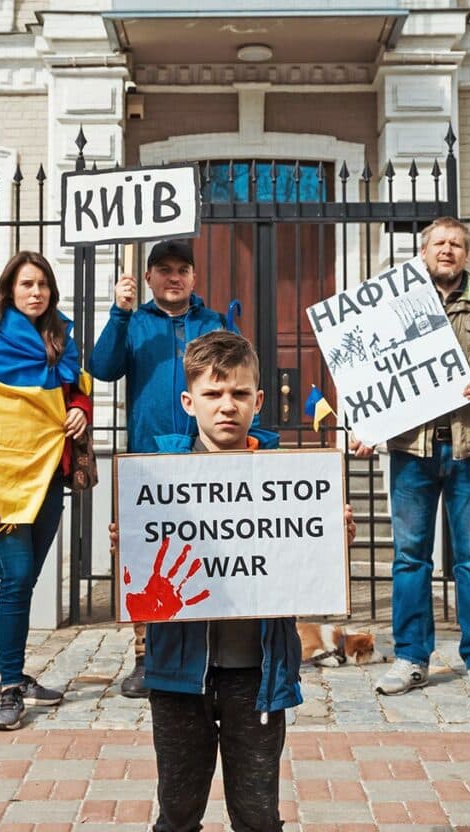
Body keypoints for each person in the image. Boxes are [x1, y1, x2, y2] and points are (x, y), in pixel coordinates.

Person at [110, 330, 355, 832]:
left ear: (259, 401)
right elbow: (143, 578)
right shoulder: (157, 476)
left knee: (259, 815)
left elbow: (302, 561)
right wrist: (130, 545)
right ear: (188, 401)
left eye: (240, 394)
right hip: (178, 675)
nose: (227, 406)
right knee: (177, 813)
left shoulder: (290, 477)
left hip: (257, 676)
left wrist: (329, 538)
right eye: (213, 393)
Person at [351, 219, 470, 700]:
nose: (448, 250)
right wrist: (365, 422)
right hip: (411, 449)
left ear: (466, 254)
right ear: (423, 251)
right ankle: (410, 658)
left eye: (457, 244)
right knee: (409, 558)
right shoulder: (393, 305)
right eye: (439, 243)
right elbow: (364, 366)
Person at [89, 239, 226, 697]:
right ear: (147, 277)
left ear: (193, 277)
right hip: (146, 461)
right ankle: (146, 655)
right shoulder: (135, 322)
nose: (174, 277)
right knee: (145, 557)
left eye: (182, 269)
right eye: (164, 269)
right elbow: (103, 368)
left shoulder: (213, 323)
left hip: (203, 457)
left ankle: (204, 648)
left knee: (202, 551)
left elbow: (234, 378)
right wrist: (118, 312)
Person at [0, 251, 93, 731]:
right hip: (1, 480)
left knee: (26, 581)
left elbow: (75, 388)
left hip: (49, 472)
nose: (36, 292)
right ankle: (8, 687)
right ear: (9, 290)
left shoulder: (62, 336)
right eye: (26, 284)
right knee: (16, 579)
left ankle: (15, 670)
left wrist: (81, 406)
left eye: (42, 284)